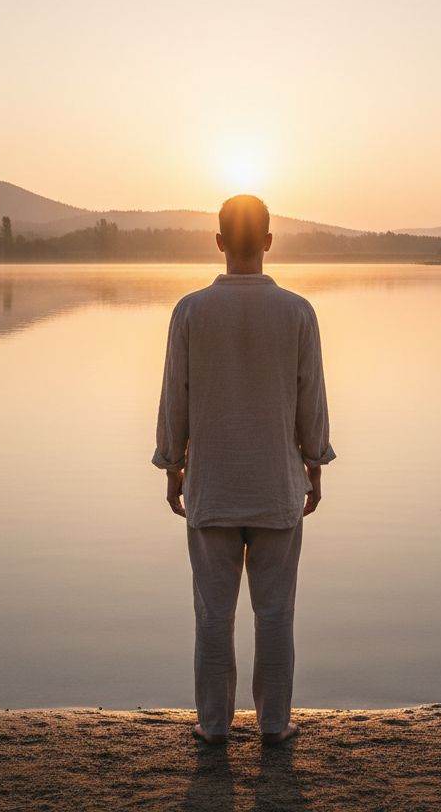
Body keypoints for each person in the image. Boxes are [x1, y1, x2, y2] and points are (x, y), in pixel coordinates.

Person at [151, 194, 336, 746]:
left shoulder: (190, 311)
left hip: (213, 487)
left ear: (219, 242)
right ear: (270, 243)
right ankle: (274, 726)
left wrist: (172, 465)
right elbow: (312, 400)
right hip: (277, 486)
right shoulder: (298, 311)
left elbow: (173, 399)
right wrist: (314, 463)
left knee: (213, 615)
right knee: (275, 614)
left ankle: (213, 726)